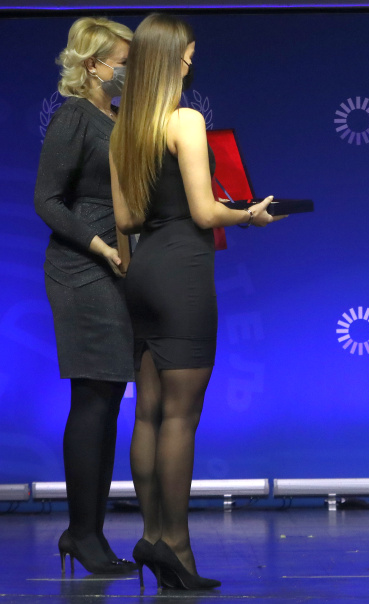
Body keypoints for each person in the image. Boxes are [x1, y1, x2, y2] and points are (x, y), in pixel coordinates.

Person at [110, 13, 283, 590]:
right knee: (180, 417)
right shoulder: (184, 120)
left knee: (148, 413)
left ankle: (151, 537)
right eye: (187, 53)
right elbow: (206, 212)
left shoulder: (122, 130)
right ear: (170, 59)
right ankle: (176, 547)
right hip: (182, 272)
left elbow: (126, 220)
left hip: (143, 275)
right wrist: (250, 215)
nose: (192, 60)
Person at [34, 16, 138, 575]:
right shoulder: (74, 116)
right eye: (123, 61)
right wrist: (100, 246)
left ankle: (89, 531)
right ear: (95, 65)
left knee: (108, 396)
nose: (130, 70)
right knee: (93, 397)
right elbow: (47, 200)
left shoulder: (118, 117)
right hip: (81, 269)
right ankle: (81, 533)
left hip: (118, 269)